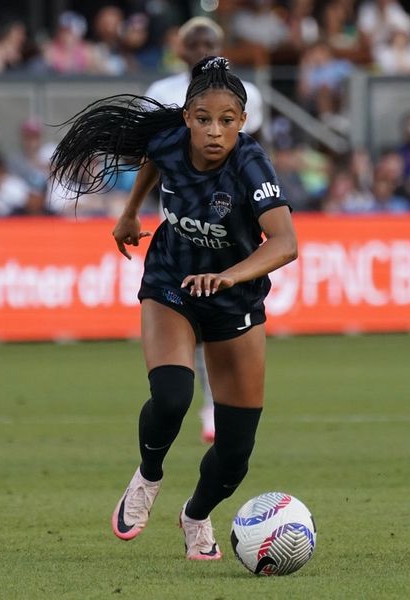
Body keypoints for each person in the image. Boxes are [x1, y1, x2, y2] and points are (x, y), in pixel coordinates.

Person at [48, 56, 297, 559]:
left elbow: (286, 242)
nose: (214, 130)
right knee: (172, 395)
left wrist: (228, 276)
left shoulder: (251, 165)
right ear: (186, 117)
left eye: (227, 121)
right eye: (203, 118)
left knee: (234, 455)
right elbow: (154, 159)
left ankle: (196, 515)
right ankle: (147, 476)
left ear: (242, 122)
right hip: (172, 282)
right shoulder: (168, 141)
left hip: (234, 302)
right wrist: (128, 211)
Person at [144, 17, 265, 443]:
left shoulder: (246, 93)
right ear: (181, 47)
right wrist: (130, 210)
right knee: (186, 323)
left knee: (221, 326)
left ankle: (215, 403)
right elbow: (154, 154)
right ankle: (196, 400)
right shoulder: (161, 93)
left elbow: (252, 152)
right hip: (182, 226)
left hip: (230, 230)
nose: (201, 46)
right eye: (193, 39)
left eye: (208, 39)